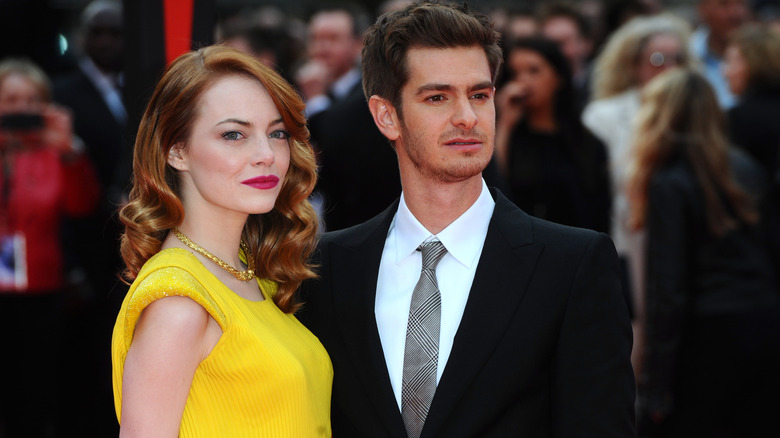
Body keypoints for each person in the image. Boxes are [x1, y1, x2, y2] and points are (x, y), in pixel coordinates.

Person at [297, 2, 635, 437]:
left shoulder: (572, 265)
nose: (467, 117)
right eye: (437, 97)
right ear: (387, 116)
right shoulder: (326, 268)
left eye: (479, 94)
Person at [110, 46, 332, 437]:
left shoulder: (251, 272)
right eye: (234, 135)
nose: (266, 155)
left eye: (277, 133)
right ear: (176, 150)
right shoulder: (178, 303)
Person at [628, 68, 780, 437]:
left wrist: (655, 385)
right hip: (764, 326)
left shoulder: (669, 181)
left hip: (705, 340)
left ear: (660, 115)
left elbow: (668, 289)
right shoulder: (746, 168)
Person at [581, 13, 691, 372]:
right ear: (634, 64)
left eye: (678, 59)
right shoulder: (603, 115)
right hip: (626, 241)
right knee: (630, 344)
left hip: (685, 246)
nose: (669, 68)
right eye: (659, 59)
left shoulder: (696, 115)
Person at [0, 58, 100, 437]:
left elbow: (83, 205)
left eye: (31, 100)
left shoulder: (57, 150)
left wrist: (70, 151)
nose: (21, 109)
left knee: (36, 392)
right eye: (10, 99)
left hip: (42, 287)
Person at [495, 36, 610, 233]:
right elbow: (494, 186)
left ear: (558, 77)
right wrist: (505, 123)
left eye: (534, 71)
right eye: (515, 73)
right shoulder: (508, 136)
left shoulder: (586, 142)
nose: (523, 80)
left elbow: (598, 210)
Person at [724, 23, 780, 280]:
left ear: (754, 63)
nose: (725, 73)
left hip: (757, 253)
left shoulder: (737, 120)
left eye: (732, 61)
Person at [689, 0, 751, 109]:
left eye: (741, 3)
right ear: (702, 10)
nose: (735, 13)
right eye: (724, 4)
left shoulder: (767, 58)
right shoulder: (687, 55)